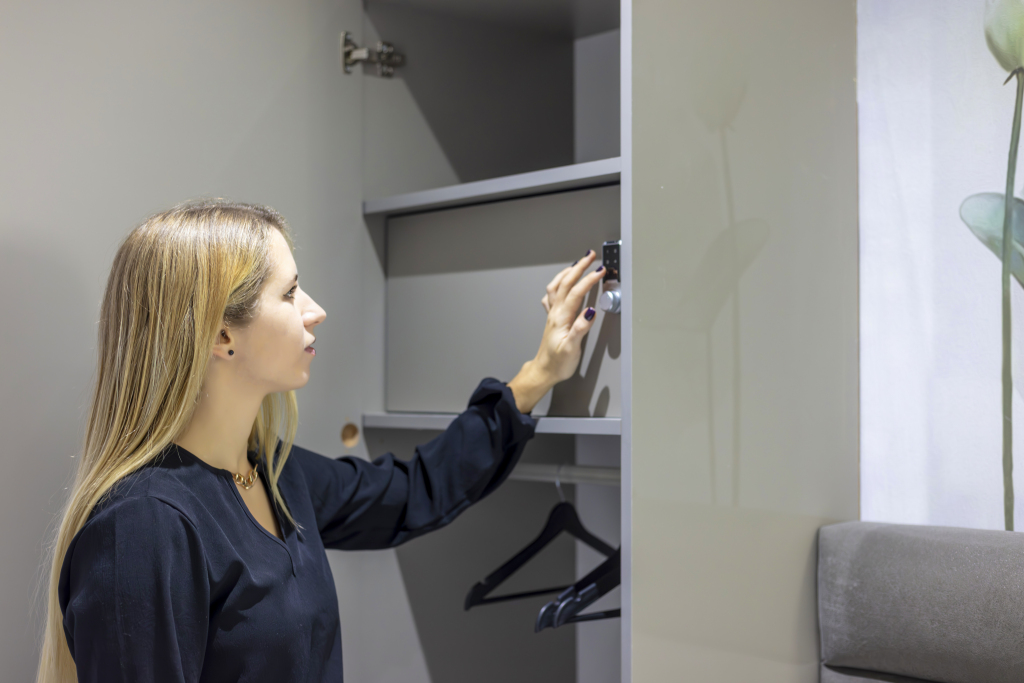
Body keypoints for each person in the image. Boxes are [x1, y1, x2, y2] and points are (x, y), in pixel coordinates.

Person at [36, 199, 605, 683]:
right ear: (220, 333)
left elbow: (412, 492)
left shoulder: (275, 474)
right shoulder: (143, 527)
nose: (316, 312)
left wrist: (538, 374)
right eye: (289, 294)